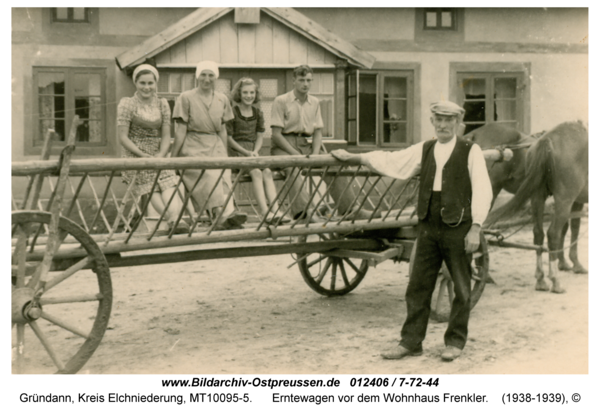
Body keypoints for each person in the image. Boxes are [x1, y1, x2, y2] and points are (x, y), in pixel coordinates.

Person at [331, 101, 493, 361]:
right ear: (432, 121)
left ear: (458, 122)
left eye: (448, 120)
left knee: (462, 288)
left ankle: (455, 342)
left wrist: (475, 227)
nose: (442, 125)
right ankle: (410, 342)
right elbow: (394, 161)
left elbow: (483, 189)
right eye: (438, 119)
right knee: (417, 286)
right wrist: (357, 158)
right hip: (428, 225)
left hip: (458, 227)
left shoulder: (470, 151)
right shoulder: (425, 148)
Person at [271, 65, 376, 222]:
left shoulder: (314, 102)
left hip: (306, 144)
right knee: (291, 167)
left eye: (308, 80)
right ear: (294, 81)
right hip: (283, 145)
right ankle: (303, 214)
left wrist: (314, 155)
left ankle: (349, 210)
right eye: (301, 80)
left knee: (332, 163)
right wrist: (295, 155)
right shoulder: (281, 101)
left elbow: (318, 132)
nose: (305, 84)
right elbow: (276, 135)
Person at [171, 61, 247, 230]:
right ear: (197, 76)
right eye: (203, 75)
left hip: (215, 144)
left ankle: (228, 213)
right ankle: (220, 215)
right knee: (210, 174)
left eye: (211, 75)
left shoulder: (222, 99)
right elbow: (181, 130)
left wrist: (224, 154)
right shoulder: (186, 97)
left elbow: (222, 130)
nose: (207, 79)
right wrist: (173, 158)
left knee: (224, 173)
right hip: (193, 145)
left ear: (216, 77)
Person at [117, 64, 187, 233]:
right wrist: (143, 156)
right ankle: (174, 220)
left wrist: (161, 155)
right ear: (136, 83)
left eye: (150, 83)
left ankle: (174, 220)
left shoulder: (162, 104)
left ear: (156, 83)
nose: (146, 87)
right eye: (142, 83)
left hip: (157, 151)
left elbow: (165, 135)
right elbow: (123, 137)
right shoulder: (127, 104)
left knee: (168, 181)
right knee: (151, 185)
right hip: (134, 152)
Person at [226, 78, 289, 224]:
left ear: (256, 94)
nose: (249, 96)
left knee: (267, 171)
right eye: (245, 92)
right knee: (255, 172)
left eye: (252, 92)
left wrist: (255, 150)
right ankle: (264, 211)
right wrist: (246, 152)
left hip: (253, 151)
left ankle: (276, 210)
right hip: (237, 152)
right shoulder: (233, 112)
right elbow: (229, 139)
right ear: (239, 94)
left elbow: (260, 136)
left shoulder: (258, 112)